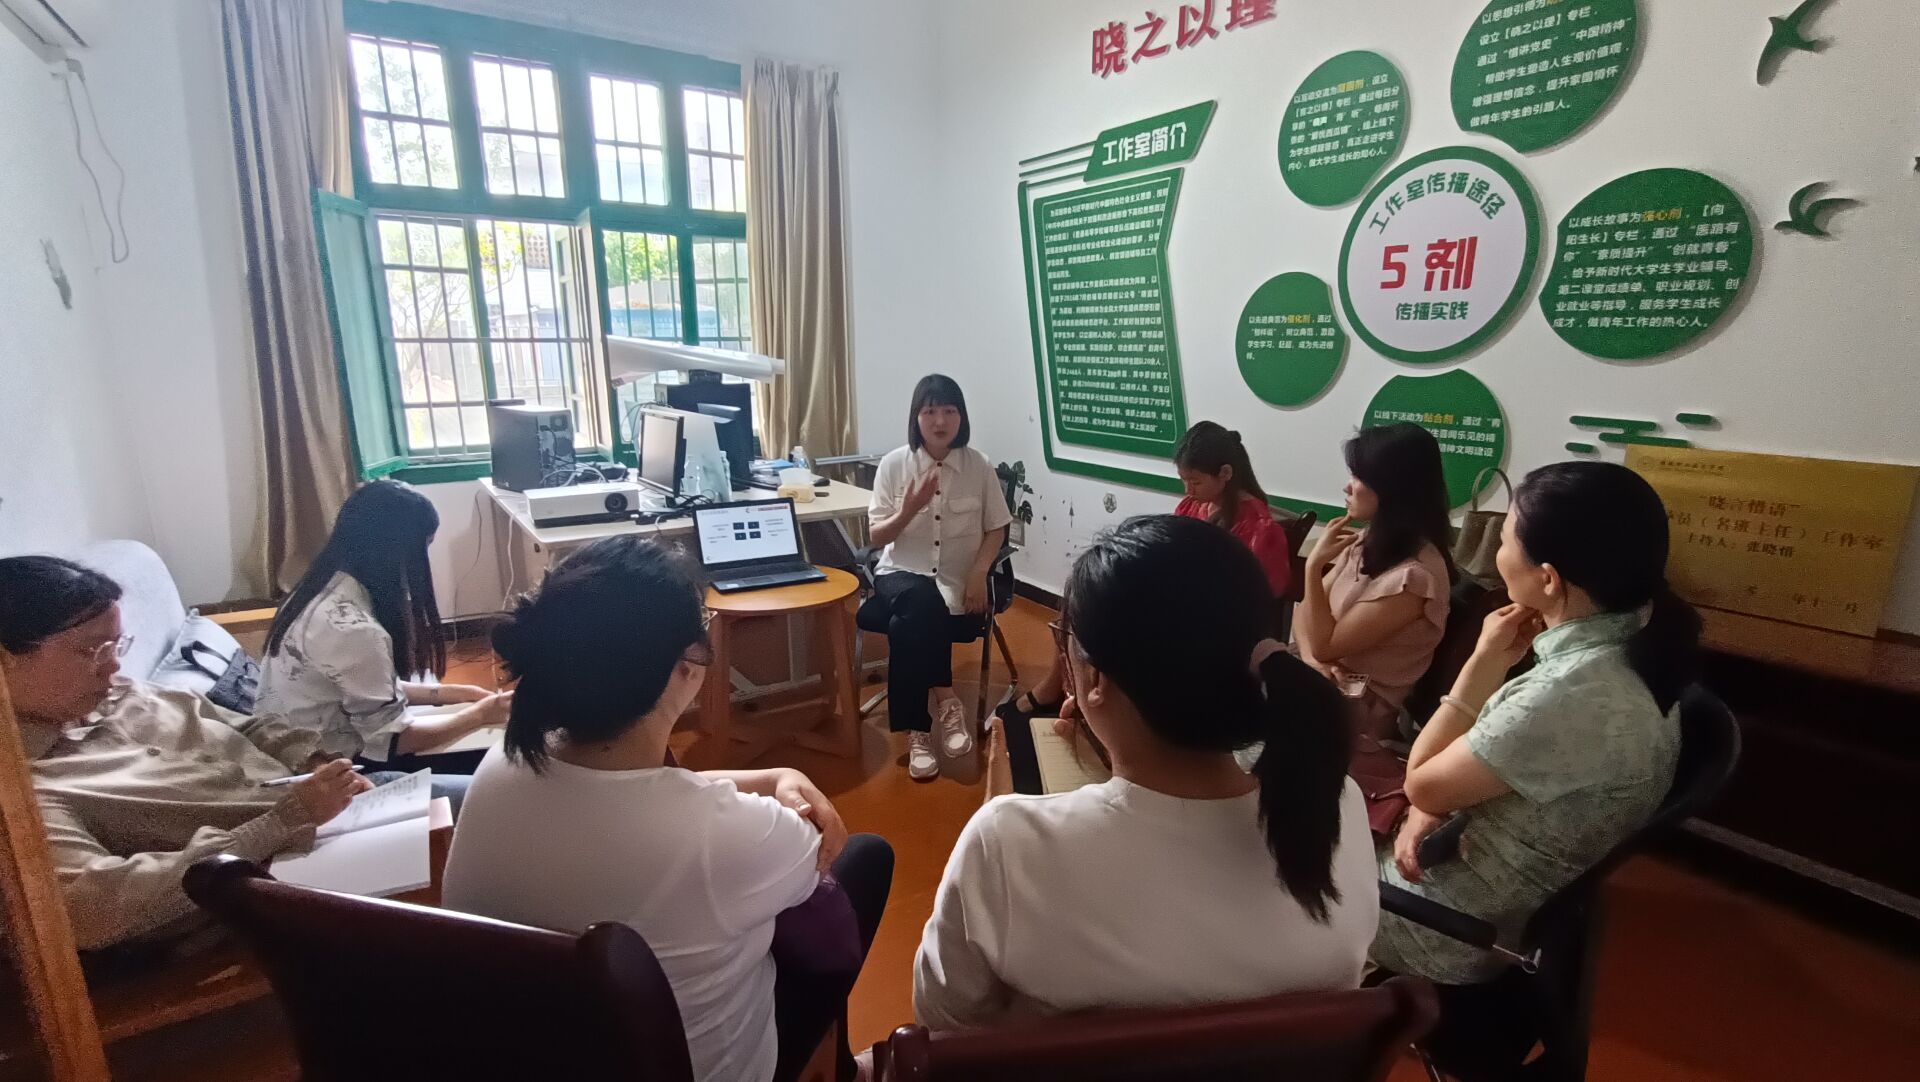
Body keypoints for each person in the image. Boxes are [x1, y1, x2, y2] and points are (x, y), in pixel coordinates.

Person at [442, 535, 893, 1082]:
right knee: (869, 858)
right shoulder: (723, 837)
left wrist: (775, 775)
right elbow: (817, 856)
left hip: (529, 1055)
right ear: (687, 665)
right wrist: (788, 783)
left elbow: (645, 793)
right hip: (703, 1068)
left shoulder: (500, 765)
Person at [913, 515, 1377, 1031]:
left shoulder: (1006, 842)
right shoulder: (1336, 803)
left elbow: (946, 1021)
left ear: (1092, 678)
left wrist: (999, 805)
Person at [1373, 461, 1699, 985]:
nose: (1497, 553)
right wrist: (1427, 806)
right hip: (1485, 885)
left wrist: (1482, 662)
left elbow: (1422, 784)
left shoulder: (1565, 695)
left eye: (1504, 539)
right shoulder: (1635, 651)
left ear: (1547, 578)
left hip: (1437, 925)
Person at [0, 556, 372, 952]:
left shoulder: (126, 692)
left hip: (337, 816)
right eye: (92, 650)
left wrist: (314, 762)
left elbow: (249, 727)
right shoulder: (24, 789)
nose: (113, 665)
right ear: (6, 661)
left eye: (117, 644)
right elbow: (94, 908)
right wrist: (284, 820)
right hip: (274, 888)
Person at [995, 420, 1294, 724]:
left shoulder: (1259, 528)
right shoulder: (1195, 506)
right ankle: (1066, 691)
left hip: (1211, 624)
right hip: (1180, 605)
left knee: (1108, 621)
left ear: (1226, 474)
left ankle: (1086, 703)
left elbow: (1257, 597)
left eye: (1195, 482)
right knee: (1085, 605)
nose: (1188, 490)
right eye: (1184, 480)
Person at [257, 480, 510, 784]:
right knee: (502, 760)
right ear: (396, 554)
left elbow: (364, 690)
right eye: (423, 549)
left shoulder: (315, 592)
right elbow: (392, 743)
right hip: (337, 775)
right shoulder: (354, 631)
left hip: (303, 751)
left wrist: (450, 694)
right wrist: (480, 714)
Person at [1295, 423, 1455, 833]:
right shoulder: (1366, 542)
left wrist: (1313, 568)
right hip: (1322, 690)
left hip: (1358, 719)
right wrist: (1315, 664)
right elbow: (1303, 617)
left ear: (1393, 488)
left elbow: (1325, 641)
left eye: (1358, 476)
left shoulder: (1414, 576)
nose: (1347, 487)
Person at [863, 374, 1011, 780]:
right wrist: (909, 508)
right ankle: (946, 698)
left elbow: (997, 527)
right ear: (916, 417)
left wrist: (979, 572)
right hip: (899, 573)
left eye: (949, 410)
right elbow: (877, 537)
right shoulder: (894, 465)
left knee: (908, 622)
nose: (940, 421)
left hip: (957, 581)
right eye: (930, 411)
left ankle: (918, 732)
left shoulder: (978, 466)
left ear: (962, 417)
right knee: (920, 598)